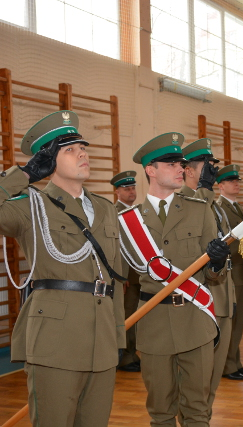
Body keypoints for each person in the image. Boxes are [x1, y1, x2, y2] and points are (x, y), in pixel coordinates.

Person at [1, 111, 125, 426]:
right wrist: (25, 175)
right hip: (56, 340)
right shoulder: (29, 205)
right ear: (48, 161)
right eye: (69, 149)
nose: (82, 153)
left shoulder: (105, 209)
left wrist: (118, 336)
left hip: (102, 340)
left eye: (83, 147)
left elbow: (115, 278)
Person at [122, 132, 230, 425]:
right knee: (160, 410)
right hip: (153, 322)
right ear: (150, 170)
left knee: (197, 408)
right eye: (171, 163)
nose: (180, 168)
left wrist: (218, 263)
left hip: (195, 319)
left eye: (181, 163)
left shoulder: (200, 210)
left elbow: (213, 274)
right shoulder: (129, 221)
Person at [178, 137, 235, 418]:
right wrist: (203, 189)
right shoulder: (184, 202)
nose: (213, 170)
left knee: (211, 383)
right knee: (194, 385)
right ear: (187, 170)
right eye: (206, 165)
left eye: (214, 165)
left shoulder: (215, 206)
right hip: (199, 304)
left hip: (222, 298)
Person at [214, 164, 243, 381]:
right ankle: (227, 365)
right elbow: (227, 241)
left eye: (237, 181)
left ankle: (235, 362)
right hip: (233, 273)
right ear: (220, 186)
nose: (236, 184)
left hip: (242, 272)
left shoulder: (235, 206)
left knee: (238, 323)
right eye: (231, 181)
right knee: (231, 322)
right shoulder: (220, 207)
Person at [111, 170, 142, 373]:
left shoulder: (137, 212)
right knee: (127, 315)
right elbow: (116, 247)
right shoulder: (115, 213)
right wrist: (120, 276)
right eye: (126, 189)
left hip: (141, 273)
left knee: (139, 315)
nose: (131, 192)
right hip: (128, 275)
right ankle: (125, 357)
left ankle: (133, 352)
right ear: (117, 192)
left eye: (133, 188)